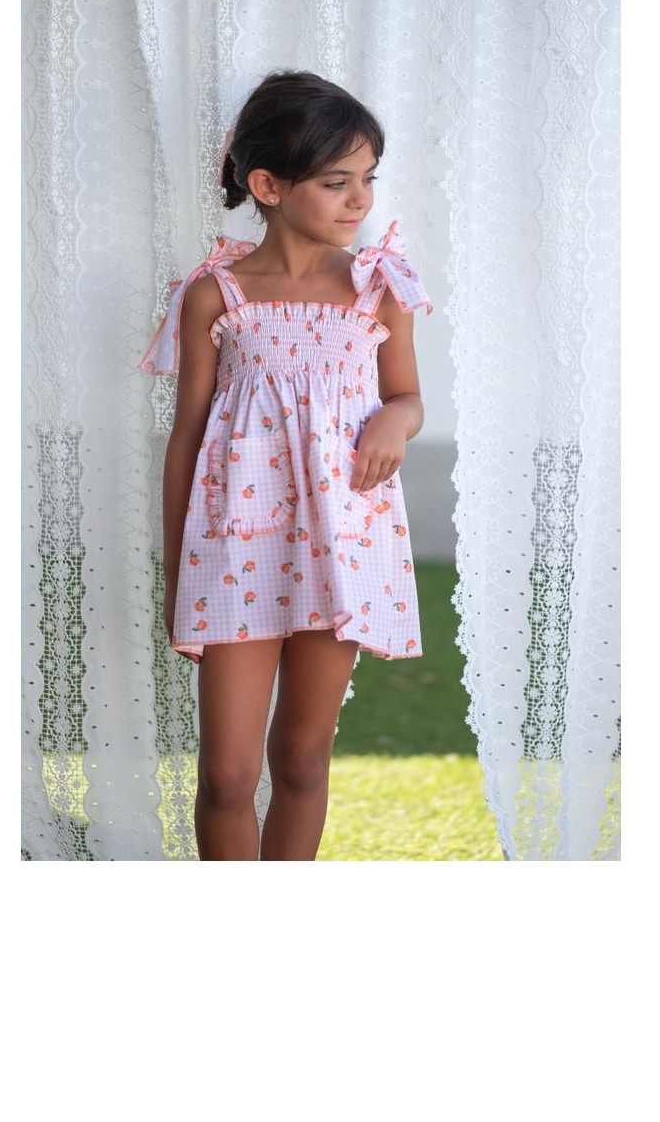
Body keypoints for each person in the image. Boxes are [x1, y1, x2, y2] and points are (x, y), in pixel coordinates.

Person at [138, 70, 433, 860]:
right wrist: (179, 568)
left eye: (368, 178)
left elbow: (407, 397)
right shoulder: (216, 296)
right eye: (337, 182)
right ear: (268, 186)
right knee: (227, 775)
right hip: (234, 550)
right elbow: (187, 437)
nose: (360, 199)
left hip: (341, 544)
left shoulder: (377, 290)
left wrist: (395, 421)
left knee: (302, 757)